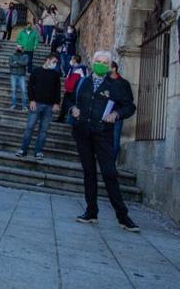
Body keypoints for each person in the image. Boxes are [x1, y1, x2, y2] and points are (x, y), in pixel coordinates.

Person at [70, 51, 139, 232]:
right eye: (97, 61)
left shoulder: (116, 85)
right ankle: (91, 211)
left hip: (103, 134)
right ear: (92, 62)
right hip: (83, 133)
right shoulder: (83, 82)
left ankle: (122, 216)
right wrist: (73, 109)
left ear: (109, 66)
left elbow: (129, 106)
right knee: (89, 173)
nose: (100, 64)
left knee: (109, 173)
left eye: (104, 62)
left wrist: (116, 114)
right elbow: (71, 100)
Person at [15, 54, 62, 160]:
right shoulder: (36, 71)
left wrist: (56, 103)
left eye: (56, 62)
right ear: (47, 60)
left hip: (49, 106)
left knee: (43, 130)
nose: (55, 64)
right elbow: (30, 86)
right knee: (29, 127)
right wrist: (31, 100)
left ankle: (38, 151)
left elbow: (58, 90)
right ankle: (23, 149)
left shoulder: (55, 74)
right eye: (54, 61)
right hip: (36, 104)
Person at [109, 61, 133, 164]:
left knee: (115, 140)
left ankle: (111, 164)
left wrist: (118, 113)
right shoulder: (103, 81)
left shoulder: (124, 83)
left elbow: (129, 101)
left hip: (116, 116)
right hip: (101, 114)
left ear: (114, 69)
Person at [56, 57, 85, 123]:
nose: (71, 60)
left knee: (72, 106)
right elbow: (67, 78)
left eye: (72, 59)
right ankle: (61, 118)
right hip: (68, 90)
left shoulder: (81, 69)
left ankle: (70, 121)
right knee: (64, 105)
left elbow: (83, 80)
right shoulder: (71, 68)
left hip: (74, 92)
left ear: (75, 60)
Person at [7, 44, 29, 111]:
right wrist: (20, 64)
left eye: (20, 48)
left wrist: (16, 62)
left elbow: (25, 64)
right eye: (17, 47)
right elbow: (10, 64)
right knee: (13, 90)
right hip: (13, 74)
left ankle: (24, 106)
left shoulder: (25, 56)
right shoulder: (12, 56)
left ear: (22, 49)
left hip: (21, 75)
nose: (18, 49)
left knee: (23, 91)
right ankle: (13, 105)